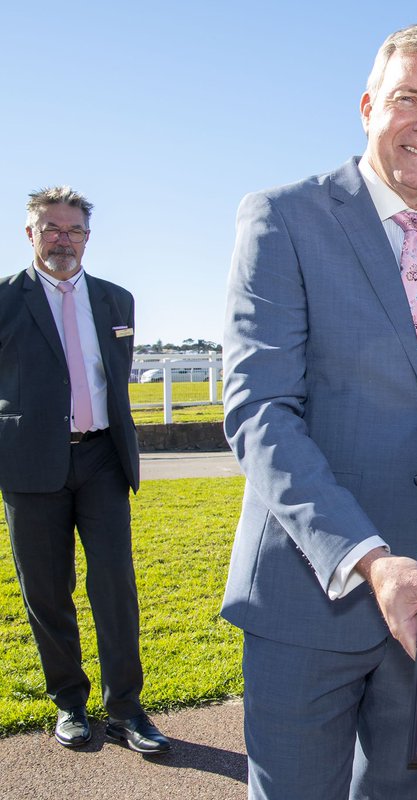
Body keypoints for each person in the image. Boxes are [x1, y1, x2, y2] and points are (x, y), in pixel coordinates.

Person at [220, 25, 417, 799]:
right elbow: (259, 411)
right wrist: (365, 556)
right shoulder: (282, 218)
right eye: (408, 99)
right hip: (307, 593)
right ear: (368, 106)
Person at [0, 186, 170, 755]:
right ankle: (70, 703)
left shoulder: (115, 300)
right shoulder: (4, 299)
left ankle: (126, 709)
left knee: (115, 588)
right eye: (51, 228)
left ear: (88, 238)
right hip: (29, 463)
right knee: (47, 592)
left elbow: (111, 378)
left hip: (101, 458)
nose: (63, 239)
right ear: (30, 234)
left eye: (74, 230)